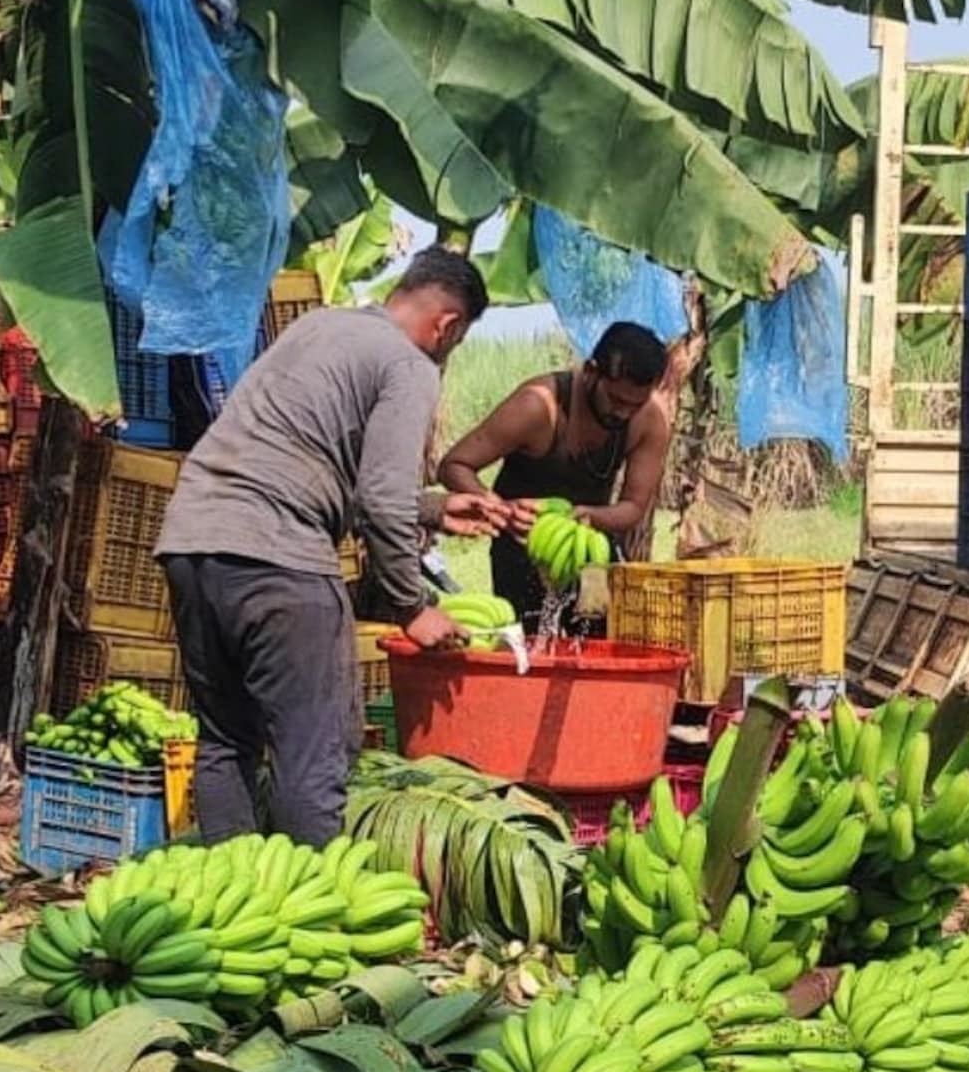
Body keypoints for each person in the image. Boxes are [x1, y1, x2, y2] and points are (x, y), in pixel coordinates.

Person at [155, 248, 511, 847]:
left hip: (192, 541)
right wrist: (411, 607)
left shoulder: (320, 325)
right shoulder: (408, 364)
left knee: (226, 741)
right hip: (279, 559)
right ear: (447, 326)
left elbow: (308, 458)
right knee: (310, 755)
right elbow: (379, 496)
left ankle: (231, 897)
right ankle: (311, 912)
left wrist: (435, 508)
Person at [437, 321, 671, 629]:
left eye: (635, 405)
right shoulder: (538, 406)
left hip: (591, 553)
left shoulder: (651, 420)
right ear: (591, 371)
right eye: (616, 400)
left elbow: (633, 508)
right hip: (520, 551)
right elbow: (454, 465)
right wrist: (501, 511)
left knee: (594, 643)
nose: (623, 413)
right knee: (526, 648)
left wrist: (586, 516)